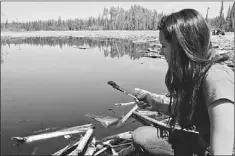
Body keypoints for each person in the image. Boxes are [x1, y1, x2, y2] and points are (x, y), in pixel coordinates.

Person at [132, 9, 234, 156]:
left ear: (182, 47)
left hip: (209, 150)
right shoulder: (197, 72)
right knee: (141, 135)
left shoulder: (217, 79)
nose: (161, 52)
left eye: (164, 46)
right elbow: (187, 111)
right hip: (201, 142)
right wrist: (152, 102)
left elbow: (222, 151)